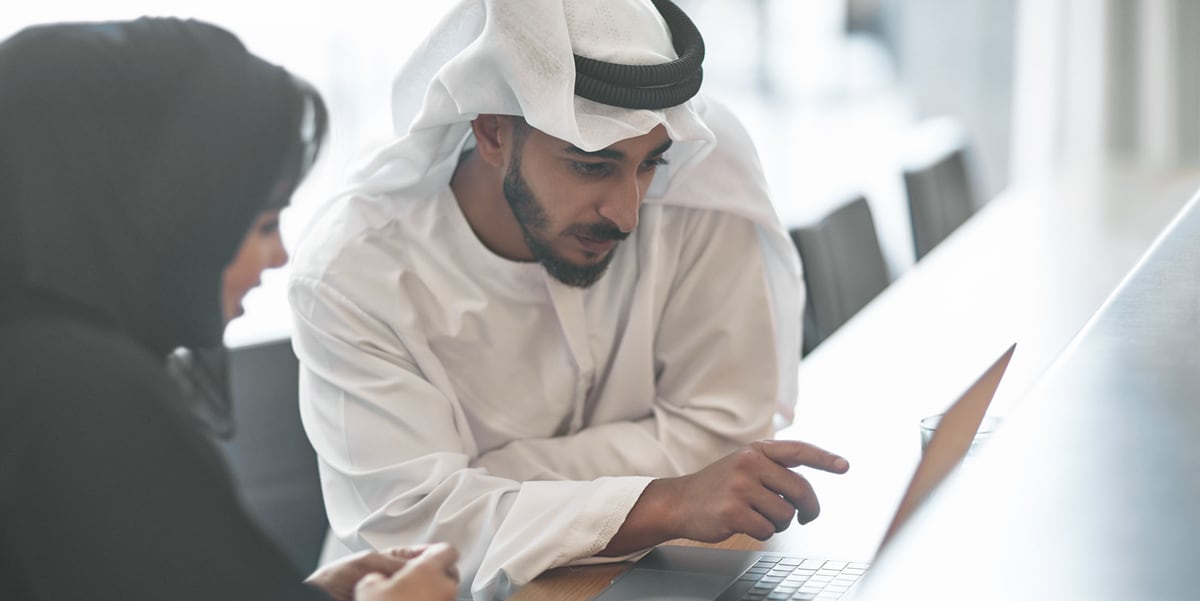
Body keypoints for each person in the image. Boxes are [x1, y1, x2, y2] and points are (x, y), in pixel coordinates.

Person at [289, 0, 849, 597]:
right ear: (493, 131)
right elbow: (417, 531)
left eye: (647, 167)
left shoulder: (700, 187)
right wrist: (669, 500)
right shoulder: (355, 272)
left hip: (654, 575)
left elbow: (727, 433)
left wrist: (494, 482)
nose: (628, 212)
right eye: (591, 167)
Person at [0, 18, 458, 601]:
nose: (279, 255)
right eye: (262, 222)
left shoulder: (30, 359)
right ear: (170, 219)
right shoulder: (83, 395)